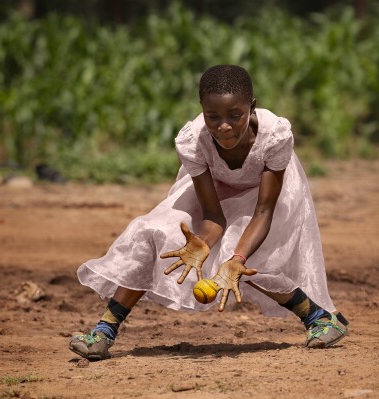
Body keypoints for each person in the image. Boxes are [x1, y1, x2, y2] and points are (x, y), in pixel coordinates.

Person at [69, 65, 348, 360]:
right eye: (212, 117)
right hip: (216, 187)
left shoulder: (274, 137)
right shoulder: (193, 141)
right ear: (202, 110)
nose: (224, 127)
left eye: (235, 116)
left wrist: (235, 260)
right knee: (152, 231)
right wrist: (202, 242)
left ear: (251, 107)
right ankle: (103, 331)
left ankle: (318, 318)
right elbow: (214, 217)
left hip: (264, 195)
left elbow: (263, 213)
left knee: (243, 255)